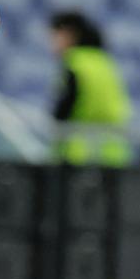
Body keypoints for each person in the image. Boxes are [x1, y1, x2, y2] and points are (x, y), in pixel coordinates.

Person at [49, 11, 132, 166]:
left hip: (80, 153)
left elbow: (64, 108)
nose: (52, 43)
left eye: (55, 36)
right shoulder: (105, 62)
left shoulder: (75, 63)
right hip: (113, 154)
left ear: (69, 34)